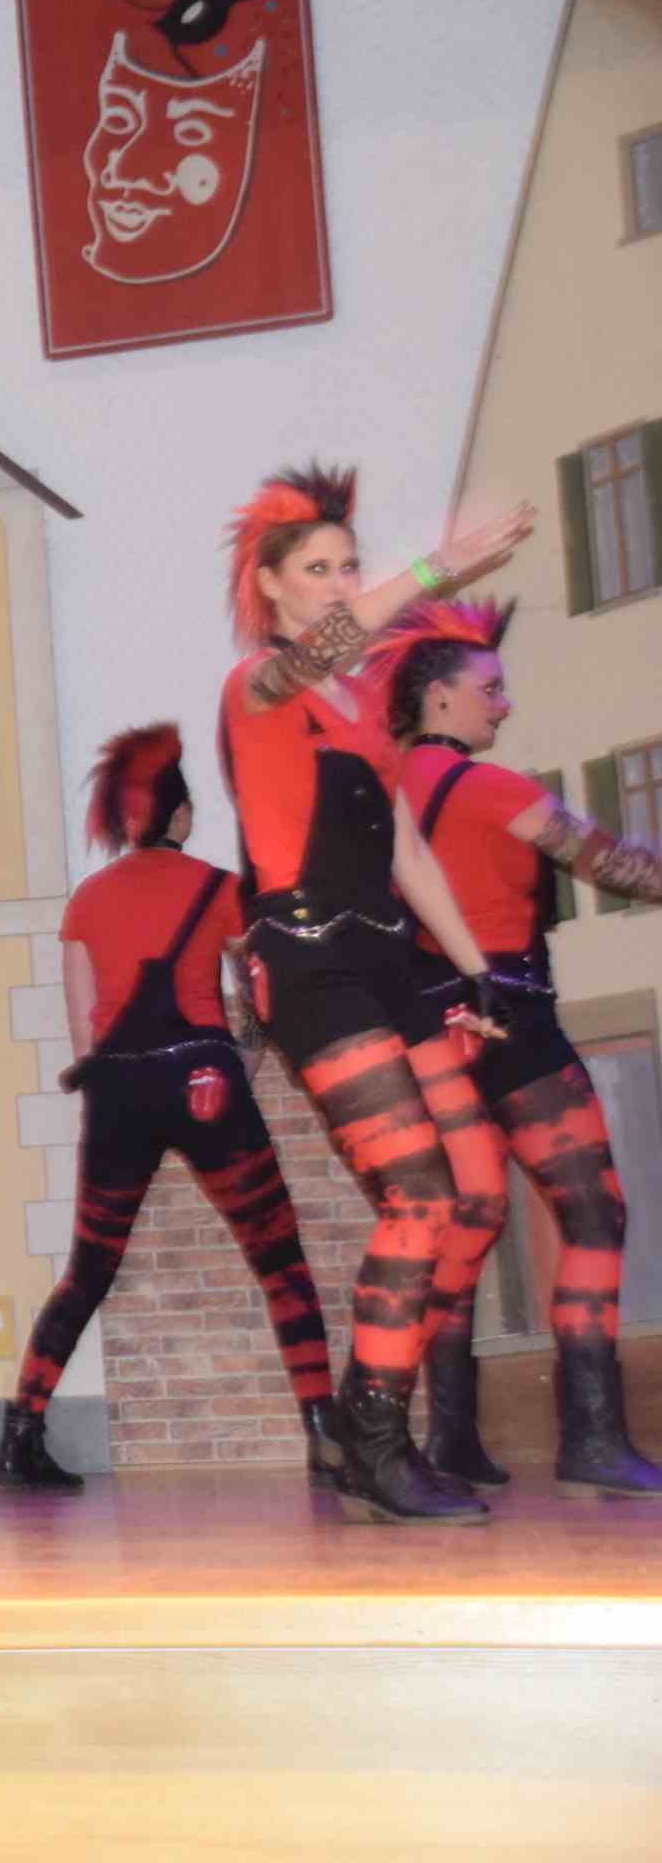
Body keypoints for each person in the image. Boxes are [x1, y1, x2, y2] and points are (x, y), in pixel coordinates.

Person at [214, 465, 535, 1525]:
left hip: (392, 959)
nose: (341, 582)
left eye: (350, 565)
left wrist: (477, 969)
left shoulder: (361, 713)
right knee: (418, 1193)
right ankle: (377, 1441)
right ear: (270, 586)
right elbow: (318, 652)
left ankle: (366, 1424)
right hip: (310, 960)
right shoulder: (259, 683)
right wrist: (444, 565)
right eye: (318, 568)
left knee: (473, 1190)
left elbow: (404, 849)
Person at [370, 598, 662, 1498]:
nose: (504, 704)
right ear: (439, 697)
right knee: (595, 1214)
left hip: (427, 1029)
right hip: (510, 1018)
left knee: (466, 1222)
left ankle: (450, 1438)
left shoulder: (384, 792)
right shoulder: (491, 789)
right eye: (490, 689)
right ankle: (593, 1439)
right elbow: (617, 865)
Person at [0, 723, 335, 1491]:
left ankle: (21, 1435)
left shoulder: (87, 900)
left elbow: (83, 1032)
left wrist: (116, 1083)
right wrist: (247, 1055)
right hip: (203, 1078)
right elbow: (264, 987)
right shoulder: (220, 889)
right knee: (278, 1256)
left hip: (118, 1093)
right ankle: (324, 1430)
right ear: (179, 816)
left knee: (88, 1270)